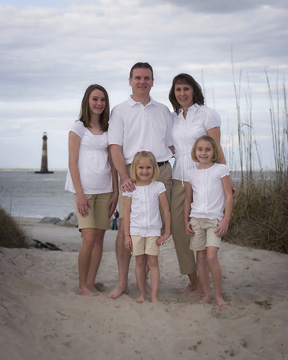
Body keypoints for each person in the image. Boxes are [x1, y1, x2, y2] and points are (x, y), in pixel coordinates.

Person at [108, 62, 174, 299]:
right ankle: (123, 282)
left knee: (152, 227)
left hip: (161, 172)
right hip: (132, 174)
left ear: (153, 82)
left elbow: (173, 145)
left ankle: (144, 282)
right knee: (128, 228)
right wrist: (125, 177)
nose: (142, 81)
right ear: (130, 81)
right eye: (138, 78)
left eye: (147, 78)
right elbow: (115, 148)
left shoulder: (164, 110)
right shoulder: (120, 111)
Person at [169, 73, 228, 295]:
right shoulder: (173, 117)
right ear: (173, 93)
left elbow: (217, 149)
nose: (182, 93)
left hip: (206, 179)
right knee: (179, 230)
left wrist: (226, 180)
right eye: (178, 89)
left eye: (186, 88)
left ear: (194, 90)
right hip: (180, 178)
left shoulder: (207, 114)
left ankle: (205, 283)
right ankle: (193, 280)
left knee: (204, 226)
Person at [65, 84, 118, 296]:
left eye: (103, 100)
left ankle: (91, 282)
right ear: (87, 101)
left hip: (105, 190)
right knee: (88, 237)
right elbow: (72, 162)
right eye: (95, 99)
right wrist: (79, 193)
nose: (99, 103)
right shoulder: (78, 127)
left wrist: (115, 192)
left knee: (99, 237)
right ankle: (82, 286)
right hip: (85, 191)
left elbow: (113, 163)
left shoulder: (108, 128)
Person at [184, 135, 233, 306]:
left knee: (212, 257)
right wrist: (186, 221)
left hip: (214, 220)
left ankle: (218, 295)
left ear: (214, 152)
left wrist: (225, 220)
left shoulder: (221, 170)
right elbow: (187, 200)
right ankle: (206, 294)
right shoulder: (190, 173)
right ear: (195, 152)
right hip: (196, 220)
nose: (203, 153)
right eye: (200, 149)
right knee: (202, 258)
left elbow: (229, 196)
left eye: (207, 149)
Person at [123, 151, 171, 303]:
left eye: (148, 167)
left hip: (153, 231)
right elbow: (126, 212)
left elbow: (166, 210)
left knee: (153, 263)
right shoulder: (130, 189)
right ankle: (142, 293)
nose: (145, 171)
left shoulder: (159, 187)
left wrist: (167, 232)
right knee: (139, 263)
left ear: (154, 168)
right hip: (136, 231)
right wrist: (126, 235)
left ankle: (155, 295)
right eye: (141, 167)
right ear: (135, 169)